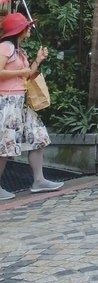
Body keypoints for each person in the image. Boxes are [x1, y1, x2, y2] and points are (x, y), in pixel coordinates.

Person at [0, 12, 62, 199]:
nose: (29, 29)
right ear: (20, 30)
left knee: (38, 137)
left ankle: (39, 180)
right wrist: (22, 70)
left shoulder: (18, 50)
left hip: (21, 102)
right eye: (27, 26)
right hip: (7, 102)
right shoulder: (5, 47)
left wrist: (37, 60)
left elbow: (25, 75)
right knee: (5, 145)